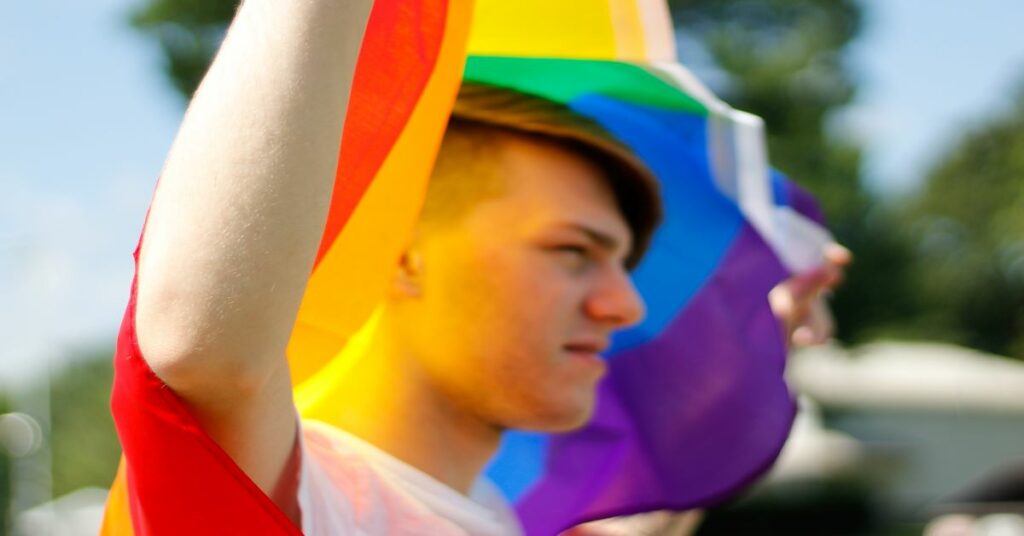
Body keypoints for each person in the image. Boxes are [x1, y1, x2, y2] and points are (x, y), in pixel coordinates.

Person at [106, 1, 848, 534]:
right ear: (400, 253)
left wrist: (741, 350)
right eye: (573, 252)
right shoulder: (318, 504)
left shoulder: (494, 518)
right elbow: (202, 353)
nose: (625, 306)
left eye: (623, 262)